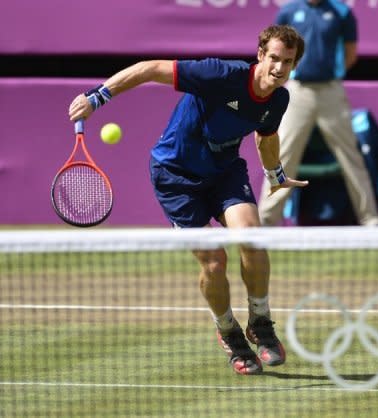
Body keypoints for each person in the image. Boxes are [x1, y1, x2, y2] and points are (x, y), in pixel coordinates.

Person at [68, 25, 307, 375]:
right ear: (260, 55)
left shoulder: (278, 99)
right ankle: (229, 331)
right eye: (273, 58)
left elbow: (266, 137)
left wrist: (276, 175)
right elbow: (150, 68)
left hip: (224, 173)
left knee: (253, 241)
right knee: (213, 261)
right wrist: (97, 96)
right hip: (175, 176)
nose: (279, 68)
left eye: (287, 62)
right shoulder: (219, 75)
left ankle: (260, 321)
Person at [258, 0, 378, 227]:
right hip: (297, 92)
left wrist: (331, 74)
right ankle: (265, 221)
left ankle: (370, 218)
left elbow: (350, 54)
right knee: (281, 155)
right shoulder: (289, 11)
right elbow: (274, 52)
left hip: (331, 92)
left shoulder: (341, 12)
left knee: (351, 156)